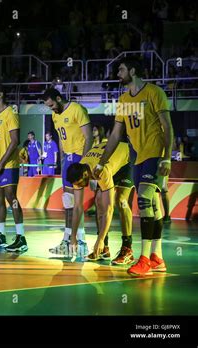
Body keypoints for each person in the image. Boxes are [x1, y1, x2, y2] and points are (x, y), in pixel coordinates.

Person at [95, 57, 173, 276]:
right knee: (154, 208)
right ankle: (157, 257)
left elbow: (168, 127)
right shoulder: (122, 100)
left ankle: (144, 259)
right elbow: (116, 135)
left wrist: (167, 157)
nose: (117, 73)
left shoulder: (154, 93)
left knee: (145, 202)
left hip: (155, 154)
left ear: (133, 70)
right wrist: (102, 162)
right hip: (136, 158)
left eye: (121, 69)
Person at [42, 88, 93, 256]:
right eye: (49, 107)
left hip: (79, 158)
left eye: (52, 105)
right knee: (68, 202)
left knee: (77, 204)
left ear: (59, 98)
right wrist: (63, 160)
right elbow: (62, 140)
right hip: (68, 160)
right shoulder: (55, 115)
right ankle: (66, 241)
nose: (52, 109)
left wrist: (84, 163)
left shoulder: (76, 109)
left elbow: (88, 137)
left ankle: (82, 242)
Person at [67, 142, 135, 265]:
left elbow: (109, 209)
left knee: (121, 201)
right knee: (99, 201)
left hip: (127, 159)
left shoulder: (101, 171)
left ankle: (127, 248)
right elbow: (77, 207)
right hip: (107, 161)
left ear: (86, 175)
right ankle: (104, 249)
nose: (79, 187)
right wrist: (72, 236)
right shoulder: (79, 171)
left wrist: (100, 239)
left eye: (80, 184)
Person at [0, 84, 28, 252]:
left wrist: (1, 163)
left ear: (0, 95)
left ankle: (21, 237)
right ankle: (1, 235)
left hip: (8, 165)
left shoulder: (11, 113)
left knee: (12, 198)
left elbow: (15, 141)